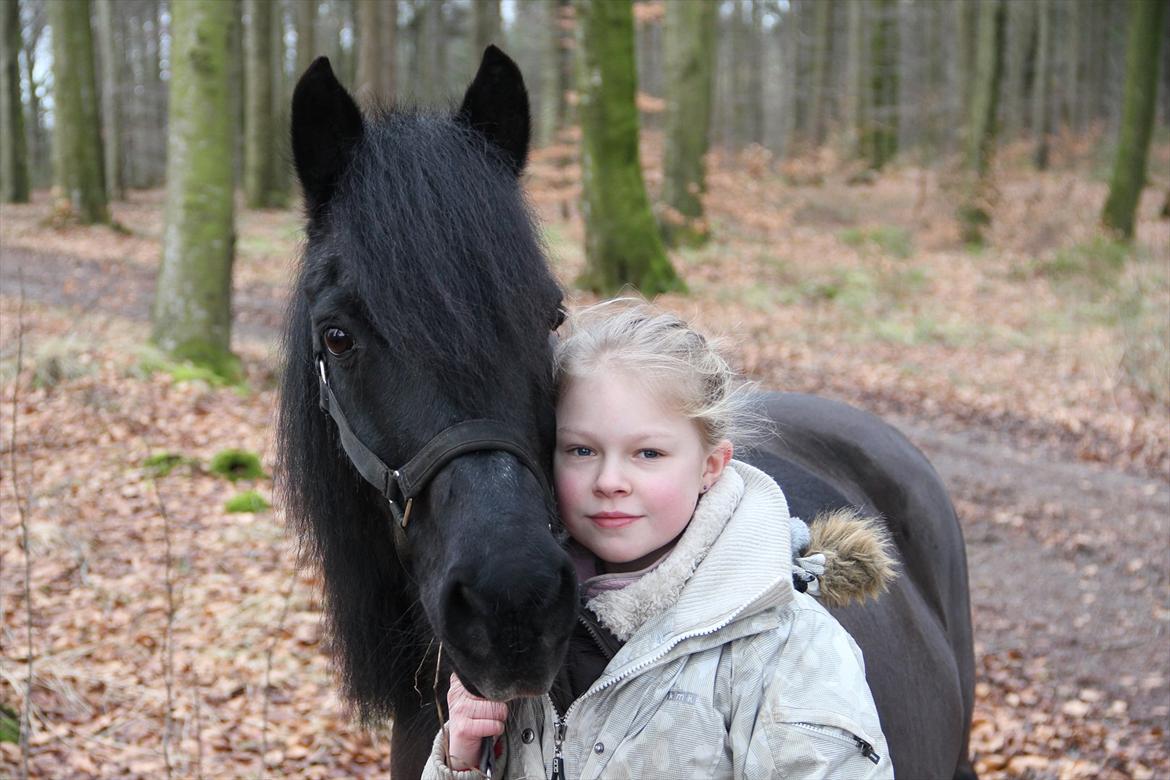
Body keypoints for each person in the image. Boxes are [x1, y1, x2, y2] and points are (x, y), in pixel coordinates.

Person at [424, 300, 896, 779]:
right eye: (581, 450)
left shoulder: (784, 646)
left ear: (710, 466)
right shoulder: (523, 618)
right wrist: (464, 762)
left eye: (647, 453)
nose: (610, 480)